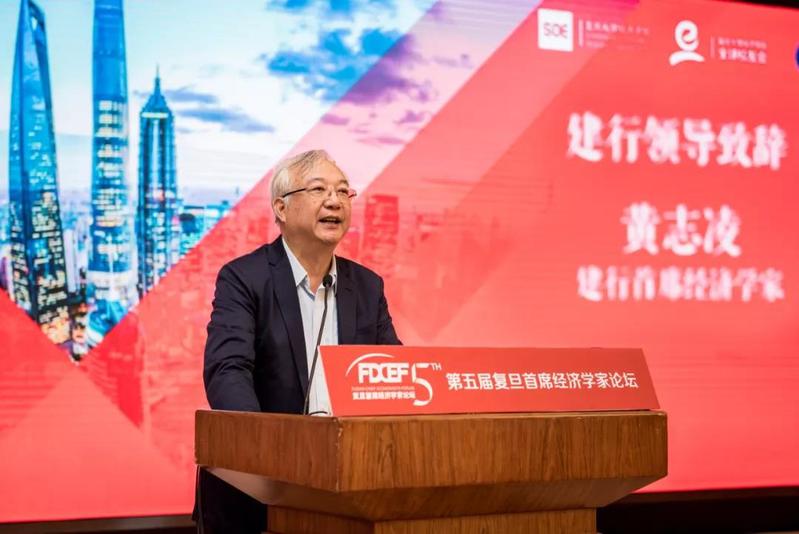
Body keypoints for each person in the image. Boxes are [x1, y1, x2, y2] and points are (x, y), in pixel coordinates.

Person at [196, 149, 401, 533]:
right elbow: (227, 372)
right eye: (319, 189)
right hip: (259, 492)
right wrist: (268, 451)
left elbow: (396, 375)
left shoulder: (367, 287)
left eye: (343, 191)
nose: (335, 201)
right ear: (282, 208)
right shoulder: (244, 278)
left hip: (349, 495)